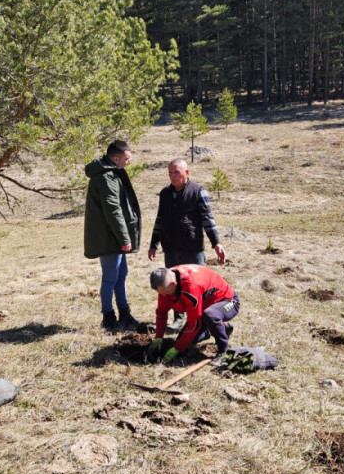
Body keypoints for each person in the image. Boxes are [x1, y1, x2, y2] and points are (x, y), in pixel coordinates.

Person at [148, 158, 225, 329]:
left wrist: (216, 243)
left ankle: (203, 320)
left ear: (187, 172)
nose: (172, 176)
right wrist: (154, 244)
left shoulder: (198, 191)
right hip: (170, 248)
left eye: (176, 172)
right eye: (170, 173)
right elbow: (159, 220)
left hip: (192, 248)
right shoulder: (165, 193)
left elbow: (207, 219)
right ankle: (179, 319)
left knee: (198, 285)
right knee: (173, 286)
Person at [83, 140, 142, 330]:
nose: (129, 162)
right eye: (126, 158)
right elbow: (113, 210)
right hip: (109, 237)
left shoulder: (111, 174)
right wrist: (124, 238)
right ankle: (108, 318)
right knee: (110, 276)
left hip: (113, 235)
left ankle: (124, 313)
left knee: (121, 273)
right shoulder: (106, 177)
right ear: (115, 158)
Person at [149, 265, 239, 364]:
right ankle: (220, 328)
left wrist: (177, 348)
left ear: (173, 283)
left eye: (165, 293)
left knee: (210, 315)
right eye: (160, 293)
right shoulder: (165, 284)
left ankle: (224, 352)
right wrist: (159, 337)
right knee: (185, 342)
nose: (163, 296)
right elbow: (161, 312)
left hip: (227, 301)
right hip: (203, 306)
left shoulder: (190, 286)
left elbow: (194, 323)